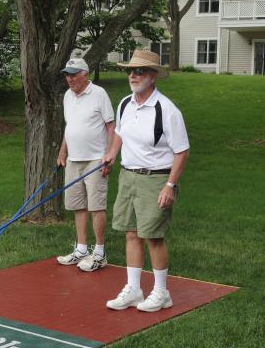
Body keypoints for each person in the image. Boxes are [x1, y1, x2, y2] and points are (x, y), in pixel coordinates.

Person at [102, 50, 189, 312]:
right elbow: (119, 132)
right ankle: (134, 290)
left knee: (153, 237)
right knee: (131, 234)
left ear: (152, 76)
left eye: (139, 71)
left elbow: (182, 151)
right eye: (130, 70)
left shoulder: (167, 110)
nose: (132, 75)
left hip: (156, 179)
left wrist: (170, 186)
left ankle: (162, 293)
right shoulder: (125, 103)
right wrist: (111, 154)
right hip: (129, 176)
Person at [56, 57, 115, 272]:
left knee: (96, 206)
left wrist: (109, 155)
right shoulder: (67, 96)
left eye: (73, 74)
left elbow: (111, 127)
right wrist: (63, 151)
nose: (69, 78)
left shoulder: (99, 93)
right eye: (67, 74)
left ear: (85, 75)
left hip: (96, 158)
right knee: (77, 205)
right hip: (73, 159)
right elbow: (69, 127)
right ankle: (81, 249)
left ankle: (99, 253)